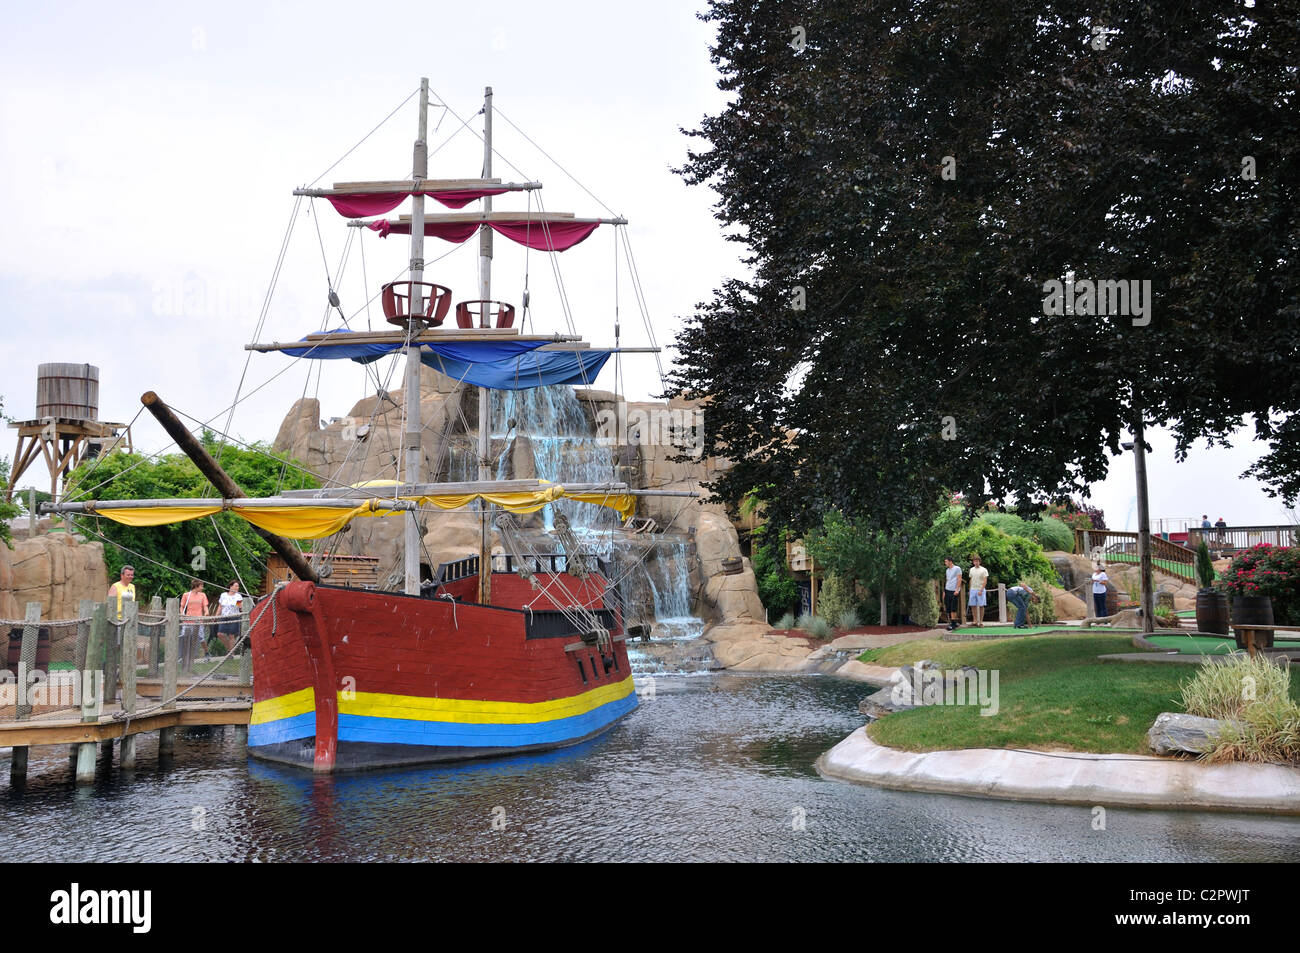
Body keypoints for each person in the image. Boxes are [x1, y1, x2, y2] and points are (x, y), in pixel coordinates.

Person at [180, 578, 209, 672]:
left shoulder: (202, 595)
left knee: (201, 638)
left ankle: (207, 652)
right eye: (201, 586)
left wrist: (206, 613)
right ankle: (183, 656)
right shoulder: (186, 595)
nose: (203, 587)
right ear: (196, 586)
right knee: (185, 637)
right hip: (188, 620)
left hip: (198, 620)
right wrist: (182, 614)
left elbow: (205, 606)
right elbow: (182, 606)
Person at [216, 581, 244, 654]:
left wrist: (240, 606)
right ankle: (229, 649)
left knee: (231, 635)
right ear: (231, 586)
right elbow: (220, 606)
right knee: (220, 634)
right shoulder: (223, 595)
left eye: (238, 586)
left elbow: (239, 607)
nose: (237, 588)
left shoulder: (238, 596)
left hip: (234, 617)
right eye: (236, 586)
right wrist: (216, 616)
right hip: (224, 616)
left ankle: (231, 653)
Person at [967, 554, 989, 627]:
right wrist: (970, 590)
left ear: (980, 561)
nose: (976, 562)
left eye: (977, 561)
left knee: (981, 606)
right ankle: (975, 621)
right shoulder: (971, 570)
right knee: (973, 605)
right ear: (973, 562)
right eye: (975, 561)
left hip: (980, 589)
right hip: (973, 589)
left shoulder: (984, 570)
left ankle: (981, 622)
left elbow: (985, 581)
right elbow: (971, 579)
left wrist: (981, 590)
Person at [943, 557, 962, 630]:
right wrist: (944, 591)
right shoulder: (947, 570)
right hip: (948, 590)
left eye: (946, 561)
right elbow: (947, 580)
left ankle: (953, 624)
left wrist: (957, 590)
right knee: (948, 607)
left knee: (953, 607)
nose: (945, 563)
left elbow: (959, 579)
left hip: (954, 591)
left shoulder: (957, 568)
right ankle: (954, 622)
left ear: (950, 561)